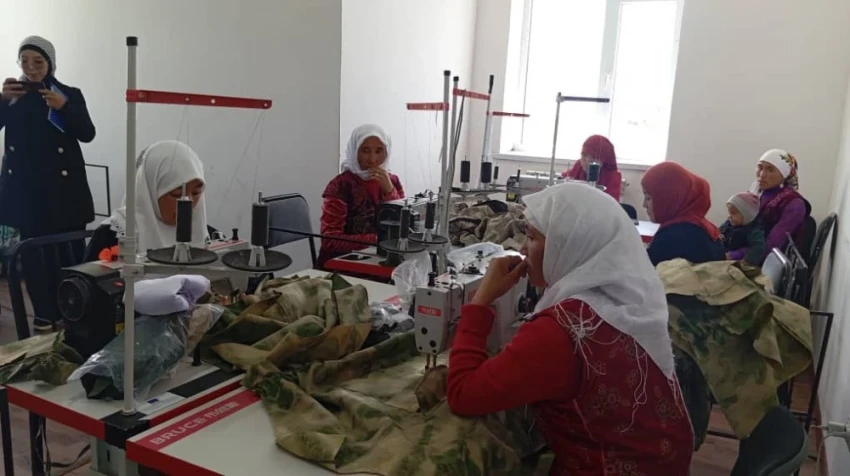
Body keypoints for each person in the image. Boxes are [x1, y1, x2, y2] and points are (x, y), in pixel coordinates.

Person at [447, 183, 694, 475]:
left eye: (532, 237)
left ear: (567, 245)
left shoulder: (560, 330)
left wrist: (480, 301)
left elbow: (462, 394)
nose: (522, 249)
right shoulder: (631, 304)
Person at [0, 36, 96, 331]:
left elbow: (88, 133)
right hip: (27, 194)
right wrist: (1, 101)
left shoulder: (68, 94)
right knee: (34, 259)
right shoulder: (12, 95)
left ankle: (76, 315)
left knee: (71, 256)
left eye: (38, 62)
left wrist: (65, 106)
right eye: (24, 61)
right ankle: (44, 316)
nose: (31, 68)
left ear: (50, 63)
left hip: (65, 194)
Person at [85, 141, 212, 261]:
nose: (189, 203)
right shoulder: (114, 235)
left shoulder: (206, 235)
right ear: (150, 190)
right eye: (176, 194)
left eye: (196, 192)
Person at [319, 124, 404, 265]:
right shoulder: (341, 185)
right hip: (342, 263)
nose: (372, 159)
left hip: (382, 258)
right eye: (365, 151)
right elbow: (330, 241)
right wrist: (377, 240)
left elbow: (402, 225)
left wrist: (390, 191)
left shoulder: (392, 181)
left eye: (379, 151)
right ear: (354, 151)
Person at [641, 162, 725, 266]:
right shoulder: (703, 227)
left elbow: (643, 270)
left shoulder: (674, 236)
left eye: (648, 198)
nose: (644, 205)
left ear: (668, 198)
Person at [752, 149, 811, 262]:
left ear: (784, 175)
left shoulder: (794, 204)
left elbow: (772, 246)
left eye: (770, 170)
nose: (762, 174)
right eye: (760, 167)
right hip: (747, 251)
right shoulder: (756, 191)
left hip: (767, 263)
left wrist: (733, 255)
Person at [562, 134, 622, 201]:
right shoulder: (578, 167)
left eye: (593, 158)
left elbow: (611, 204)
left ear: (603, 159)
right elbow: (564, 181)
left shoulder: (612, 177)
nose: (587, 160)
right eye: (584, 155)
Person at [720, 192, 765, 265]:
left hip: (738, 262)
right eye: (729, 213)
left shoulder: (753, 231)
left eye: (733, 213)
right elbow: (719, 231)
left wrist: (747, 260)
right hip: (724, 254)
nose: (729, 216)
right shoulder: (729, 223)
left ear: (746, 214)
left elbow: (758, 247)